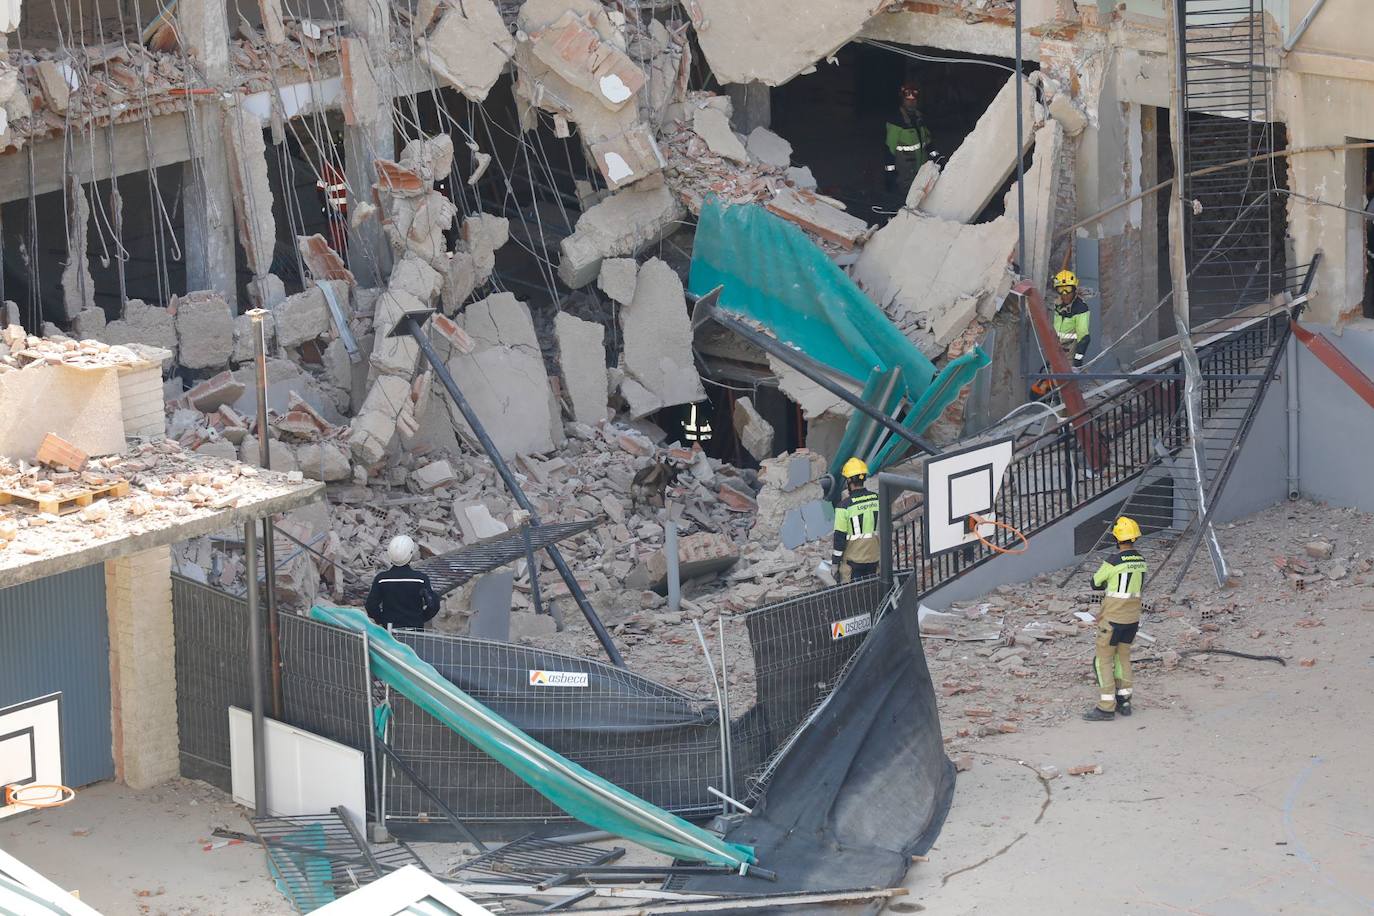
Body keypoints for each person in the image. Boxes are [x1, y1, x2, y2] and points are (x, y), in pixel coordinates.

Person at [1083, 516, 1147, 721]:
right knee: (1123, 658)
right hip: (1132, 620)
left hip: (1112, 620)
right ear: (1135, 538)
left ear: (1117, 539)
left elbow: (1095, 583)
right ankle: (1125, 701)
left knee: (1102, 661)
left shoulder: (1113, 561)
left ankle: (1106, 706)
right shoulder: (1141, 561)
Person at [365, 535, 440, 630]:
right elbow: (433, 605)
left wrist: (382, 620)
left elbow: (371, 606)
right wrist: (421, 618)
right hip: (415, 631)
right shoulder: (420, 579)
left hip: (390, 632)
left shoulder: (381, 579)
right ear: (410, 554)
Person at [826, 458, 881, 583]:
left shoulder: (843, 506)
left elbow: (839, 538)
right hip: (875, 558)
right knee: (873, 592)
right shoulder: (877, 499)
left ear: (849, 480)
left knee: (854, 597)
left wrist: (835, 563)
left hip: (854, 563)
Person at [884, 81, 933, 204]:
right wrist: (890, 175)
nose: (911, 102)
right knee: (906, 203)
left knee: (922, 200)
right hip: (905, 174)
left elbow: (928, 143)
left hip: (921, 171)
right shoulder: (896, 121)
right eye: (908, 99)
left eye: (914, 100)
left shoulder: (919, 118)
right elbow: (889, 150)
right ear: (902, 100)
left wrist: (937, 156)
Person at [1051, 270, 1092, 368]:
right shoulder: (1058, 305)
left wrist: (1077, 361)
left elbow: (1084, 339)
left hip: (1069, 355)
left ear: (1074, 289)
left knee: (1065, 381)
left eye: (1068, 289)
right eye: (1061, 290)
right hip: (1056, 352)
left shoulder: (1080, 308)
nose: (1065, 293)